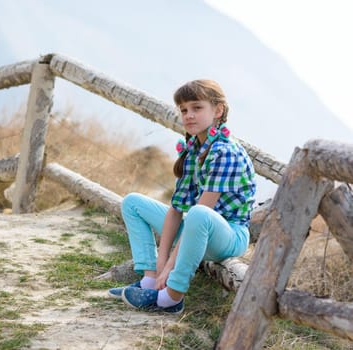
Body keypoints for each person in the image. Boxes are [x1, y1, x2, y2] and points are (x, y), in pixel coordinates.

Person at [108, 79, 256, 314]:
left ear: (217, 111)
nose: (188, 115)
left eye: (197, 108)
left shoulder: (225, 152)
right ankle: (149, 282)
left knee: (198, 212)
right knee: (132, 202)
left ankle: (171, 298)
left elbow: (203, 210)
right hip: (197, 230)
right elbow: (176, 210)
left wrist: (170, 266)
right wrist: (161, 261)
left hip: (229, 237)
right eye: (184, 110)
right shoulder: (192, 150)